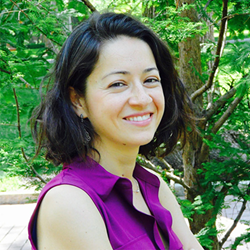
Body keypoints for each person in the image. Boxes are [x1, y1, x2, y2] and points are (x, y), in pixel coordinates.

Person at [28, 12, 203, 250]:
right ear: (78, 101)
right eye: (118, 84)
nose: (142, 98)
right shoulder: (69, 201)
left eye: (151, 79)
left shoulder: (152, 186)